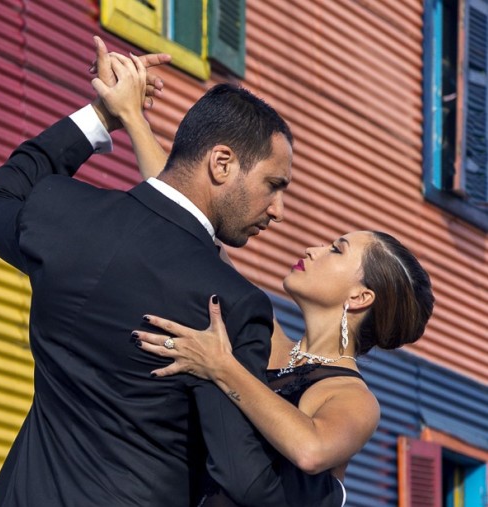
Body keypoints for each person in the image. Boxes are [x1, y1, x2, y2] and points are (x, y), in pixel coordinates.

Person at [0, 37, 343, 506]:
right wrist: (332, 495)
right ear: (222, 163)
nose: (279, 210)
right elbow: (242, 476)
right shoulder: (228, 302)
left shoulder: (64, 214)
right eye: (273, 184)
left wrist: (99, 116)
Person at [98, 50, 435, 505]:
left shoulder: (353, 398)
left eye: (337, 249)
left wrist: (221, 367)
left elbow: (311, 450)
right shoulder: (270, 343)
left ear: (359, 296)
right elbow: (188, 214)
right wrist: (131, 117)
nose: (315, 247)